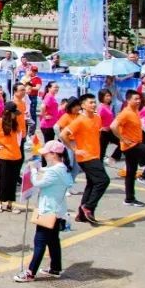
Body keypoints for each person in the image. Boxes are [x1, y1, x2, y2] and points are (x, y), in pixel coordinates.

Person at [14, 140, 74, 282]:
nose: (44, 156)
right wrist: (39, 169)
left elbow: (38, 182)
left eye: (46, 153)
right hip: (57, 210)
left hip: (48, 210)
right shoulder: (62, 168)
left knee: (39, 241)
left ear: (54, 154)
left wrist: (33, 170)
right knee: (53, 240)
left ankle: (30, 272)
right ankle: (55, 268)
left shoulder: (54, 171)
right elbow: (49, 174)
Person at [61, 94, 109, 225]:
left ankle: (81, 215)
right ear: (83, 105)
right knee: (103, 181)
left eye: (94, 102)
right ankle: (89, 207)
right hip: (86, 157)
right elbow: (63, 134)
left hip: (95, 155)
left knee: (92, 183)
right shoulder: (79, 120)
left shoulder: (97, 118)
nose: (93, 105)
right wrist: (74, 149)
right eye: (90, 103)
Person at [112, 90, 145, 207]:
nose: (138, 101)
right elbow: (113, 126)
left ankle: (129, 199)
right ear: (128, 100)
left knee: (131, 173)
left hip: (135, 144)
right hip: (131, 146)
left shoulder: (135, 111)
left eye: (139, 99)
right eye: (135, 99)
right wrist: (122, 139)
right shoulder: (126, 113)